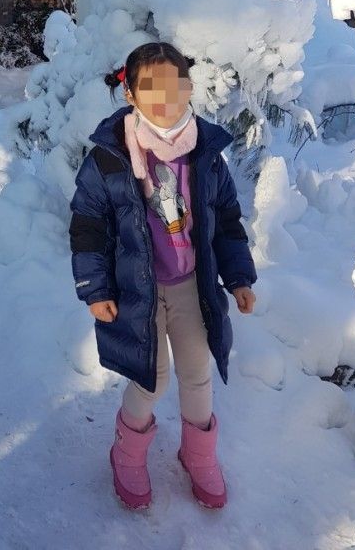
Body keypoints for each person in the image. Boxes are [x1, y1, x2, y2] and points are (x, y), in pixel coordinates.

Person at [69, 41, 257, 511]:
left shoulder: (206, 154)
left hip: (191, 284)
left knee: (197, 372)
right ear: (130, 94)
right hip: (138, 290)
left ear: (188, 88)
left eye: (174, 87)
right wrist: (95, 287)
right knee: (152, 378)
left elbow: (228, 219)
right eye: (150, 88)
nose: (164, 98)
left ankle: (199, 455)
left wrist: (238, 277)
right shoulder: (109, 159)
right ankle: (127, 453)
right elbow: (88, 226)